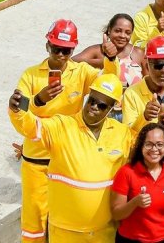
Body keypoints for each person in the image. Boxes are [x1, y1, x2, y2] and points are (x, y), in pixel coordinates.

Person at [14, 19, 120, 243]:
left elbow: (108, 83)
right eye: (56, 49)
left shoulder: (81, 72)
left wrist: (111, 59)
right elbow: (19, 113)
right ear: (47, 46)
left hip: (69, 158)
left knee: (68, 221)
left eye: (66, 51)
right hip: (38, 161)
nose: (61, 56)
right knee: (34, 225)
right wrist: (39, 99)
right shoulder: (31, 75)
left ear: (73, 50)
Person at [9, 74, 132, 243]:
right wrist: (17, 110)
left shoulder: (122, 133)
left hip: (104, 233)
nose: (93, 107)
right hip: (65, 234)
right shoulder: (63, 126)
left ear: (112, 109)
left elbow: (145, 149)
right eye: (92, 100)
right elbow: (32, 127)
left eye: (102, 105)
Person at [110, 123, 164, 243]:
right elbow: (116, 214)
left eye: (160, 144)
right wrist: (135, 202)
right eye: (149, 144)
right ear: (141, 146)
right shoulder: (126, 172)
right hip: (132, 239)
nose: (154, 149)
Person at [122, 36, 164, 133]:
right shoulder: (131, 94)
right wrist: (144, 118)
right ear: (147, 66)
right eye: (158, 66)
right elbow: (126, 135)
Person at [72, 13, 145, 90]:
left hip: (130, 101)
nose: (122, 36)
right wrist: (102, 62)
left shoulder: (138, 53)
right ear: (109, 30)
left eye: (127, 33)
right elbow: (70, 63)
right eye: (118, 31)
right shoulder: (97, 51)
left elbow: (149, 82)